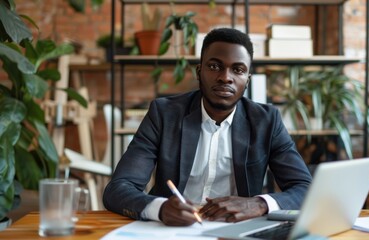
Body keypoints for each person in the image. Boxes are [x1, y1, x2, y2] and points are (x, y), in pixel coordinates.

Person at [103, 27, 312, 226]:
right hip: (172, 228)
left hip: (237, 228)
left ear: (247, 80)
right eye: (214, 66)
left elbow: (305, 189)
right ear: (199, 71)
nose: (225, 77)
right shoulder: (164, 114)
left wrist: (257, 203)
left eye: (238, 70)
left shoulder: (267, 121)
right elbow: (118, 189)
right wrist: (160, 208)